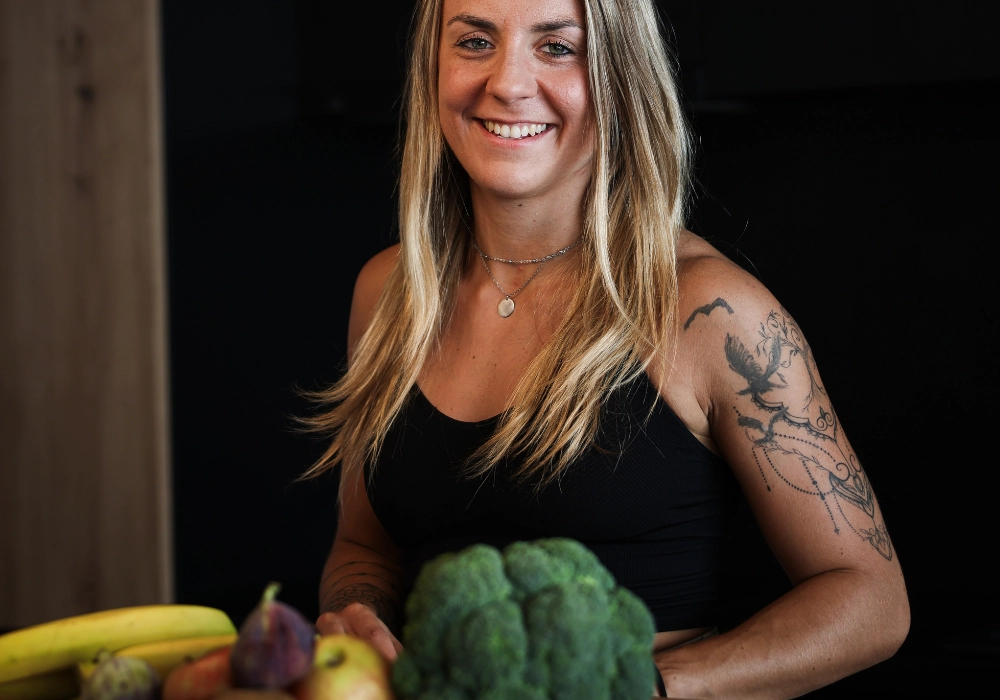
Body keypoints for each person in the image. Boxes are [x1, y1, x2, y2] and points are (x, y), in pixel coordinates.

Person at [306, 0, 910, 696]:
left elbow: (871, 601)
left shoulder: (709, 311)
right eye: (474, 41)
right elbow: (363, 546)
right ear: (431, 68)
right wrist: (358, 619)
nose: (507, 82)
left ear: (621, 75)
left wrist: (641, 689)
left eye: (558, 48)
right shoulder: (389, 295)